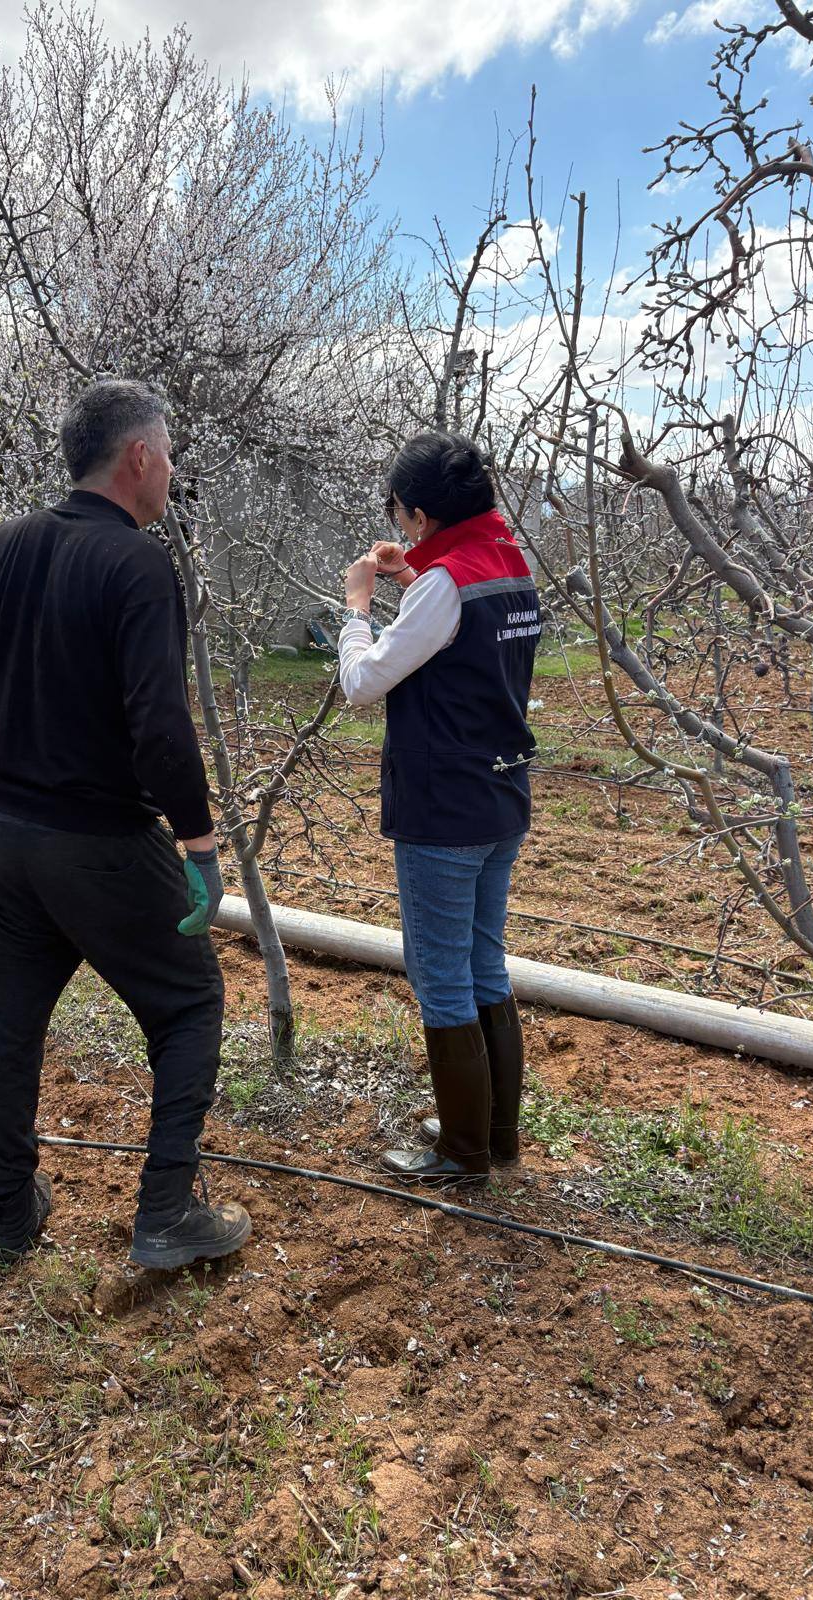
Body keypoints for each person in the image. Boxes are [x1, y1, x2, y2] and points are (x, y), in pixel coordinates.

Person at [0, 378, 251, 1269]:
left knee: (10, 1026)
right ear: (138, 457)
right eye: (169, 455)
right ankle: (167, 1213)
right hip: (101, 843)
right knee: (190, 1002)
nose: (173, 471)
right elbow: (159, 723)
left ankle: (9, 1212)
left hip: (6, 841)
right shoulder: (139, 565)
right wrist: (198, 842)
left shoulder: (4, 545)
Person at [337, 431, 540, 1185]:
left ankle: (461, 1155)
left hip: (442, 808)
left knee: (441, 974)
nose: (398, 523)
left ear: (419, 513)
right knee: (485, 963)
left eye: (399, 512)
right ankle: (494, 1136)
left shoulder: (445, 583)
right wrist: (413, 575)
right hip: (499, 795)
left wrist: (358, 606)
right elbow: (459, 638)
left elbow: (363, 682)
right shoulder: (508, 562)